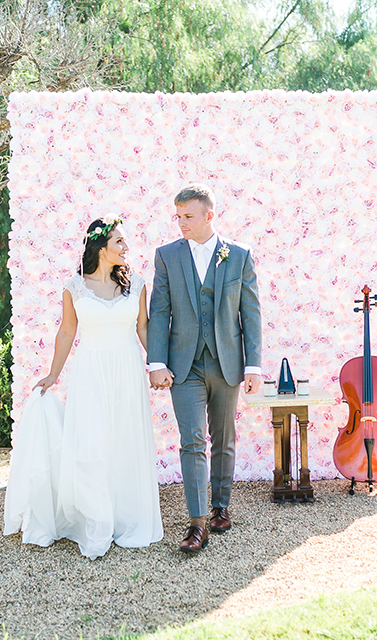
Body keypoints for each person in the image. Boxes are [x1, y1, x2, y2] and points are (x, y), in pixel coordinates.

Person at [4, 218, 163, 559]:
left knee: (125, 441)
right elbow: (66, 332)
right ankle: (96, 519)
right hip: (90, 371)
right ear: (100, 247)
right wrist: (52, 375)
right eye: (119, 242)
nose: (126, 247)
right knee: (92, 445)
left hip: (127, 371)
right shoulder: (74, 286)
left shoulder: (136, 285)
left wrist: (160, 364)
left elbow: (143, 329)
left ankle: (126, 520)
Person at [147, 184, 262, 553]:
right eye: (178, 216)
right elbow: (160, 311)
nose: (181, 223)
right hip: (184, 366)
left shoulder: (239, 255)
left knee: (224, 438)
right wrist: (157, 362)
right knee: (193, 440)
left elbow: (251, 313)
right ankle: (197, 523)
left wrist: (254, 366)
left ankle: (220, 507)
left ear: (209, 216)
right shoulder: (166, 255)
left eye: (188, 216)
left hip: (227, 363)